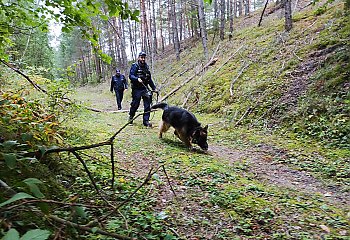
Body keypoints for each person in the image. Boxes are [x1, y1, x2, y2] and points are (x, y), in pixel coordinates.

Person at [128, 51, 157, 127]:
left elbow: (149, 79)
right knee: (135, 104)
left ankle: (146, 121)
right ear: (139, 57)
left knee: (147, 105)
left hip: (145, 88)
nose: (143, 59)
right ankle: (131, 117)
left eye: (144, 57)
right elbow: (131, 76)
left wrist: (154, 88)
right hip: (136, 89)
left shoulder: (146, 67)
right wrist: (137, 79)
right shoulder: (135, 66)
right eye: (141, 57)